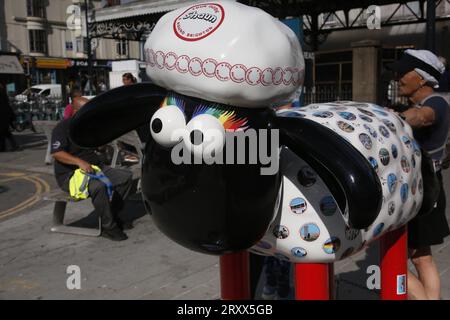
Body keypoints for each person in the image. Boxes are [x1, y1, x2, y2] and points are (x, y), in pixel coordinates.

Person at [387, 49, 450, 300]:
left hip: (424, 189)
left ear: (421, 78)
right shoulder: (422, 102)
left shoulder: (434, 103)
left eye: (403, 72)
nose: (397, 77)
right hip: (421, 187)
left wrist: (396, 119)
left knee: (396, 259)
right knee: (422, 257)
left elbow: (422, 118)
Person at [51, 97, 133, 241]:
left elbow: (98, 147)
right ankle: (109, 227)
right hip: (71, 175)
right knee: (98, 187)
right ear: (76, 111)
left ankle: (110, 215)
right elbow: (57, 153)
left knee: (125, 177)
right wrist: (79, 162)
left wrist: (102, 145)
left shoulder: (86, 126)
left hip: (96, 168)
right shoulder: (63, 127)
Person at [0, 83, 19, 152]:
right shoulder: (3, 94)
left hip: (3, 115)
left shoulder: (2, 95)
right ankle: (14, 145)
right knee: (5, 132)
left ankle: (3, 147)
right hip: (5, 115)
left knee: (3, 132)